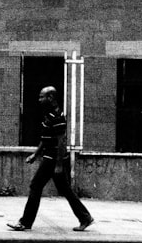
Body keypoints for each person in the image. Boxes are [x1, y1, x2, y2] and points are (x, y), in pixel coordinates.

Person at [7, 86, 94, 232]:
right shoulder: (49, 116)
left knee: (36, 185)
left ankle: (25, 222)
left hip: (53, 159)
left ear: (51, 98)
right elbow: (46, 138)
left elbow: (61, 142)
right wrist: (35, 154)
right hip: (49, 157)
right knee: (65, 189)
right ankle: (85, 217)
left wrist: (59, 165)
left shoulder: (57, 116)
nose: (39, 100)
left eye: (42, 97)